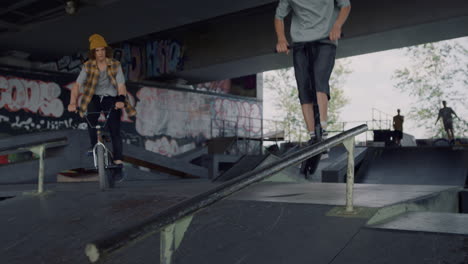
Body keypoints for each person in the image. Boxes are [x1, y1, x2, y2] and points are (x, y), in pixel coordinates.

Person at [275, 0, 351, 144]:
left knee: (319, 79)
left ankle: (323, 130)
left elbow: (345, 5)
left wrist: (337, 25)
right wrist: (281, 39)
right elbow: (279, 16)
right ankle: (312, 136)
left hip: (326, 39)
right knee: (303, 87)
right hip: (300, 41)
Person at [68, 34, 136, 180]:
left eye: (102, 50)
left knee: (114, 129)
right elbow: (77, 85)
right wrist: (72, 102)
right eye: (97, 50)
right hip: (94, 97)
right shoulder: (88, 66)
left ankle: (118, 163)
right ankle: (94, 147)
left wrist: (120, 99)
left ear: (106, 51)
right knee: (90, 119)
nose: (100, 53)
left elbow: (121, 85)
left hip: (111, 98)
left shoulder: (115, 65)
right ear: (93, 52)